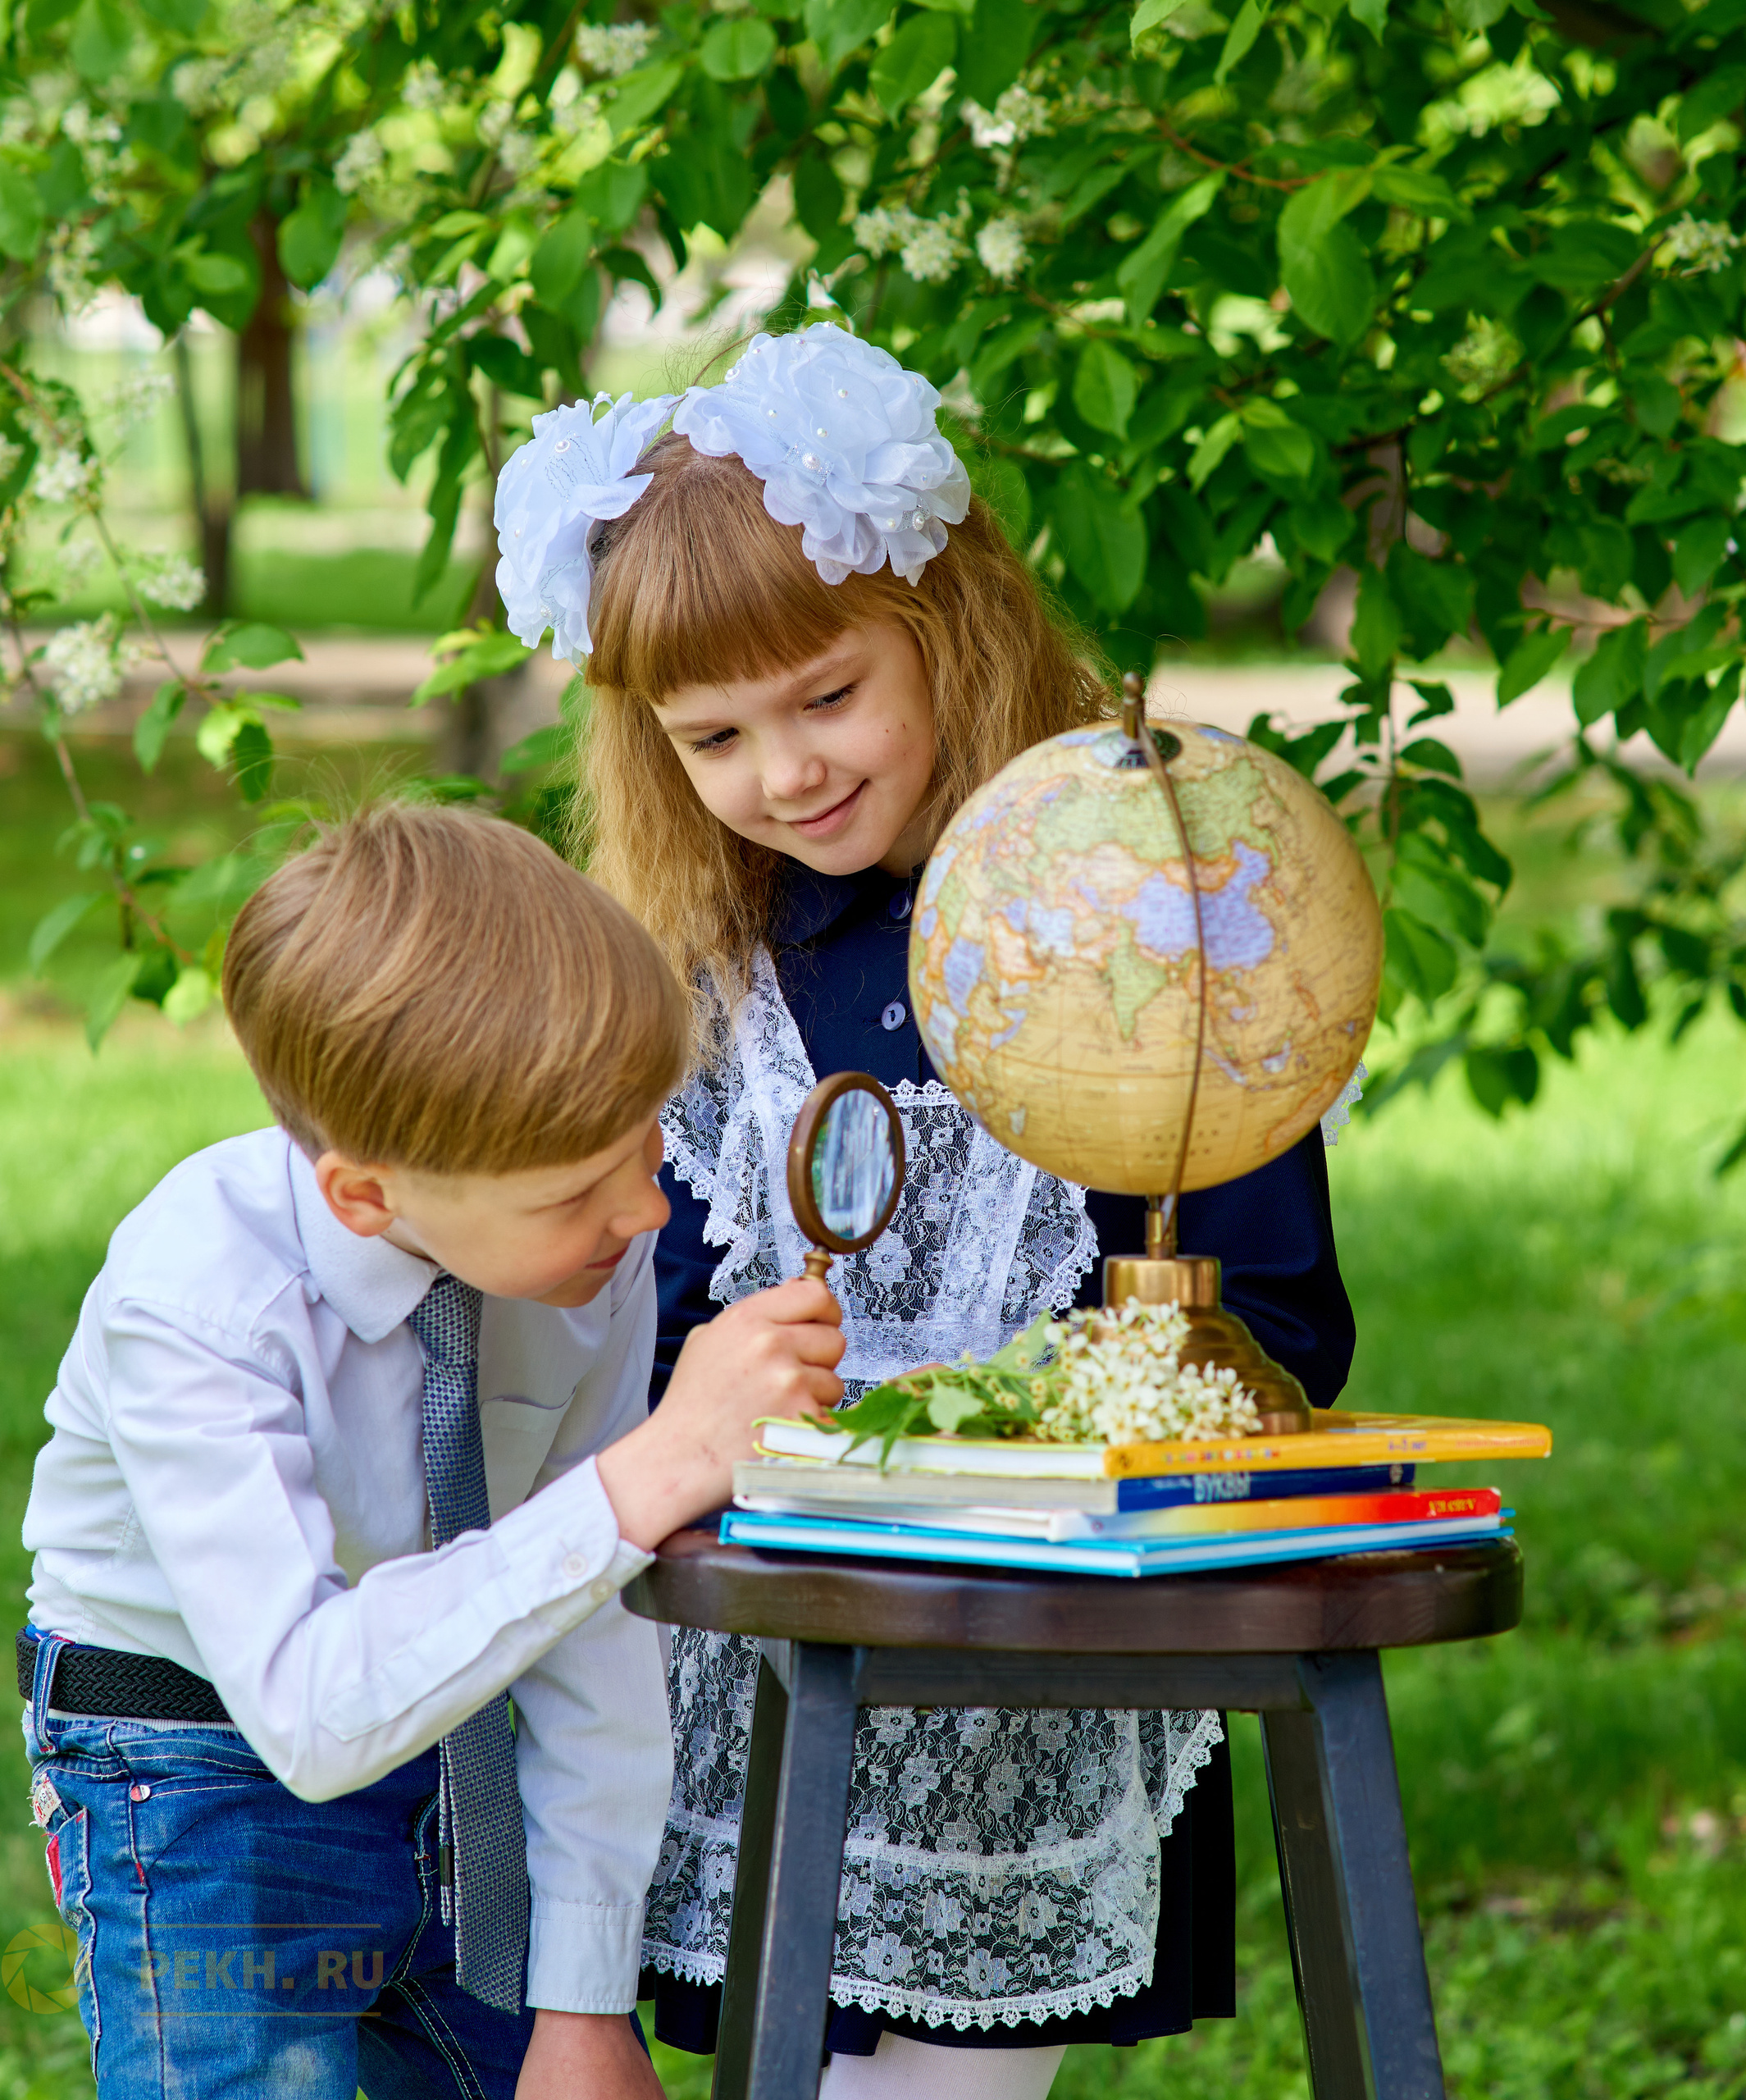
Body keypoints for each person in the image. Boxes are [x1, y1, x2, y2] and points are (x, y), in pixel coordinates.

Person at [492, 330, 1356, 2100]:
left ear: (941, 629)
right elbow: (629, 1326)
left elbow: (1273, 1320)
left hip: (1023, 1672)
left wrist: (1028, 1422)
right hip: (753, 1660)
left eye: (826, 697)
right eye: (712, 735)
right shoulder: (701, 972)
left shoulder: (1126, 913)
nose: (782, 772)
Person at [17, 801, 846, 2100]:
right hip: (196, 1765)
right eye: (576, 1190)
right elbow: (309, 1708)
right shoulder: (196, 1302)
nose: (645, 1212)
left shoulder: (586, 1252)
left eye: (648, 1145)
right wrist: (643, 1480)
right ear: (368, 1194)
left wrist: (585, 2003)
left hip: (464, 1715)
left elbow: (587, 1615)